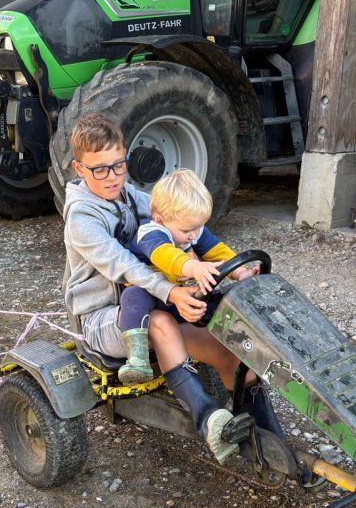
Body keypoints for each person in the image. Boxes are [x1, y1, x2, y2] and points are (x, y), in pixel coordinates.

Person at [62, 114, 284, 464]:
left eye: (119, 165)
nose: (113, 177)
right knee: (161, 323)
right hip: (104, 317)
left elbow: (178, 219)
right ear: (79, 168)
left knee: (230, 355)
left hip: (156, 302)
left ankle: (273, 443)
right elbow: (126, 267)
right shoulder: (81, 218)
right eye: (100, 169)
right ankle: (209, 419)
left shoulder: (132, 196)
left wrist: (227, 265)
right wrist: (174, 290)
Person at [116, 168, 255, 384]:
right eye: (187, 229)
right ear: (160, 219)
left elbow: (218, 251)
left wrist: (241, 272)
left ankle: (244, 343)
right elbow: (165, 256)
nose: (193, 234)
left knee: (221, 297)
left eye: (198, 227)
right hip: (152, 294)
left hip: (179, 295)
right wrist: (194, 267)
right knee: (132, 296)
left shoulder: (191, 229)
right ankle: (137, 358)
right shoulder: (150, 232)